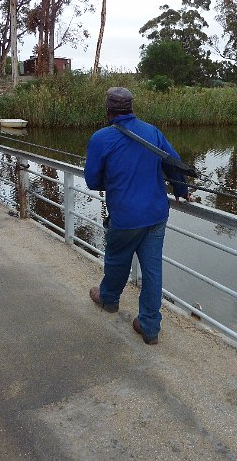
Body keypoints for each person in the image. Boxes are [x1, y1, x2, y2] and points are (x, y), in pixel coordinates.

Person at [85, 87, 191, 345]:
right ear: (132, 108)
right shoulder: (152, 132)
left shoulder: (101, 138)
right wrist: (180, 189)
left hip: (125, 216)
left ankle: (109, 300)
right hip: (156, 213)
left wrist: (110, 181)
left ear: (108, 110)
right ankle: (150, 327)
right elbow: (173, 162)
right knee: (153, 270)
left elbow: (91, 181)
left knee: (117, 259)